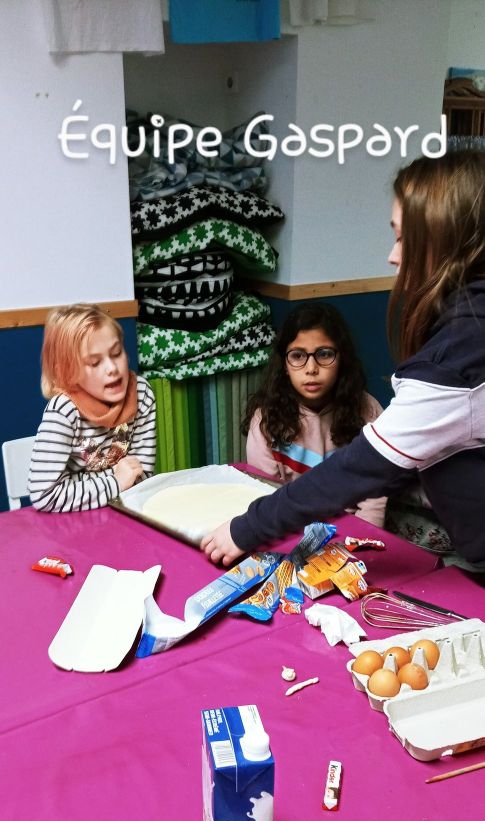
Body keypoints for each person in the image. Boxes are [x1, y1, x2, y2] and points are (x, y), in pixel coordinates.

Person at [202, 149, 485, 568]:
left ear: (446, 240)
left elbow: (365, 468)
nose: (393, 255)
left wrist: (246, 528)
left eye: (403, 238)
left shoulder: (455, 360)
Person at [243, 302, 386, 527]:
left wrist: (363, 538)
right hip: (290, 528)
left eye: (324, 354)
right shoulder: (266, 420)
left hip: (354, 528)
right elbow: (266, 498)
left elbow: (374, 494)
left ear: (342, 359)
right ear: (284, 364)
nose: (311, 368)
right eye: (298, 356)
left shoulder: (367, 410)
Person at [29, 304, 156, 511]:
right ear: (68, 373)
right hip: (76, 522)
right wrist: (115, 481)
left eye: (116, 353)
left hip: (126, 513)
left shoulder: (142, 394)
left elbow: (141, 475)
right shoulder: (63, 411)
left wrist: (84, 484)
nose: (112, 368)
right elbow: (44, 495)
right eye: (95, 363)